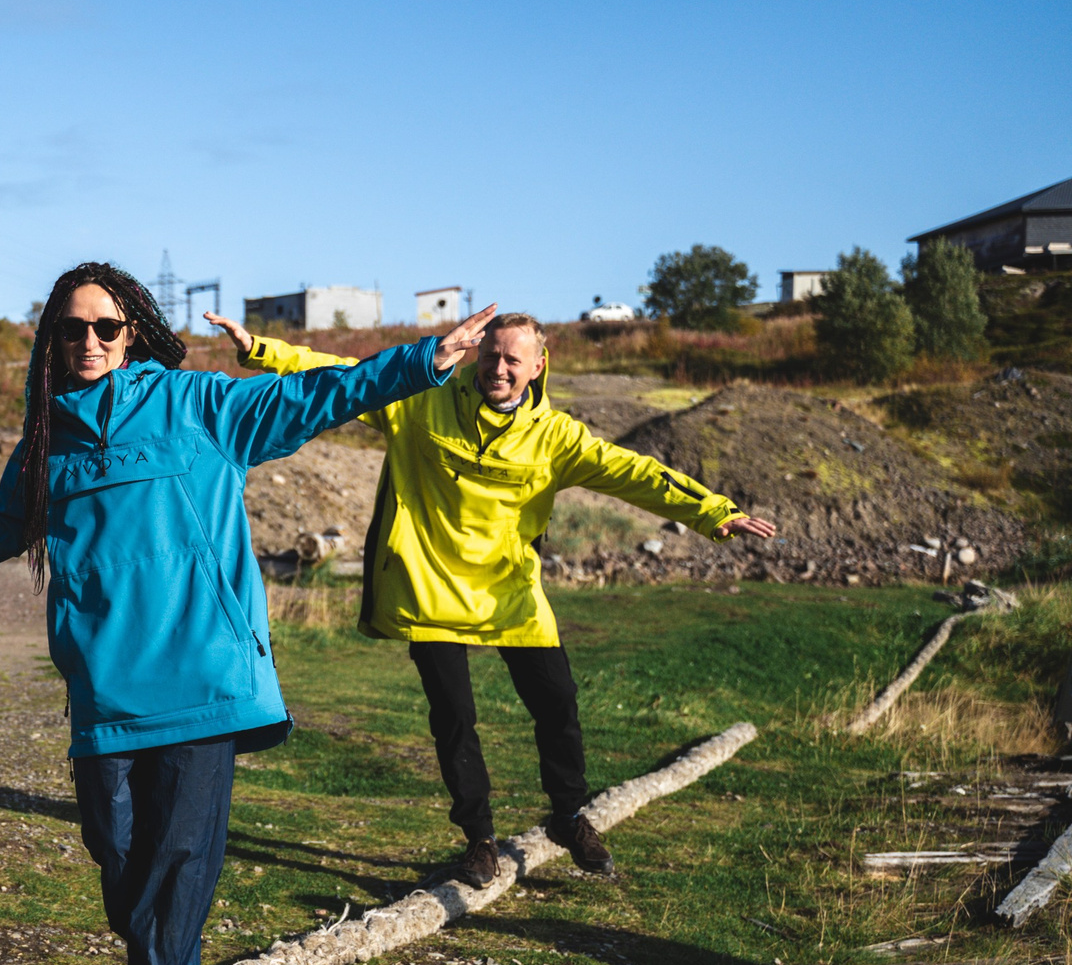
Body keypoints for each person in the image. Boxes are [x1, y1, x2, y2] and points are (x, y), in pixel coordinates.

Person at [0, 263, 499, 965]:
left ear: (135, 332)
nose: (89, 342)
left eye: (106, 328)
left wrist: (420, 362)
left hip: (202, 671)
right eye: (72, 329)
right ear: (51, 339)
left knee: (179, 848)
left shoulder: (199, 407)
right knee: (114, 845)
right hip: (106, 683)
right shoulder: (46, 443)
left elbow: (315, 395)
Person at [206, 309, 777, 881]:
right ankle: (479, 838)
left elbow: (636, 472)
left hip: (511, 593)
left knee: (558, 704)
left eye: (511, 359)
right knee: (454, 717)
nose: (498, 368)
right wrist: (262, 348)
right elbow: (342, 373)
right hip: (429, 587)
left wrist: (713, 512)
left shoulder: (557, 437)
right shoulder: (419, 402)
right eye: (490, 355)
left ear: (538, 365)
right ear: (476, 356)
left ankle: (568, 815)